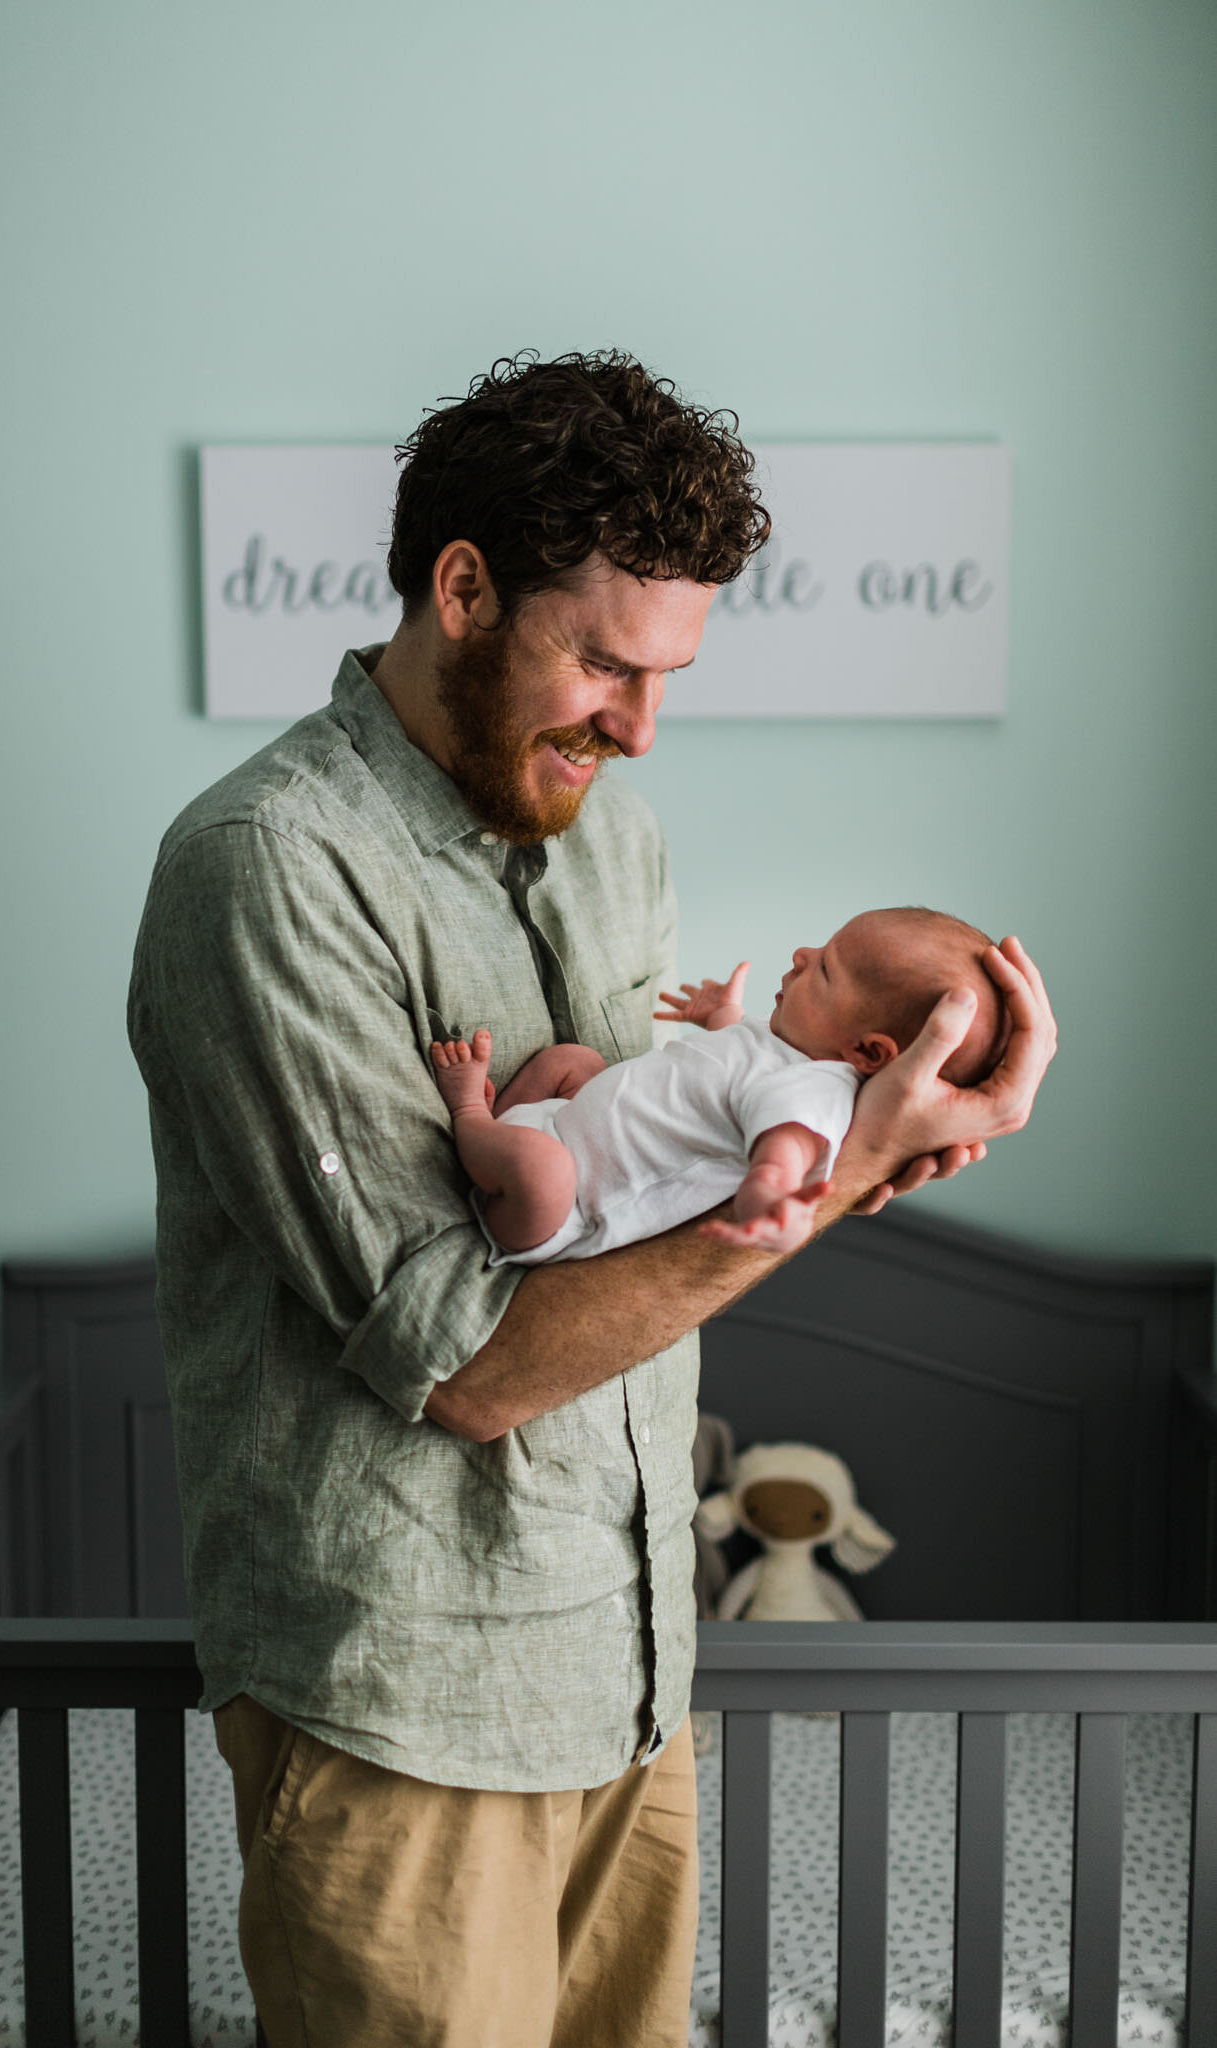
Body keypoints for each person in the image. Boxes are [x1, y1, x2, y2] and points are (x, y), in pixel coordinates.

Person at [127, 349, 1055, 2048]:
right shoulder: (270, 868)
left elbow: (663, 1193)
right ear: (463, 588)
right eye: (605, 662)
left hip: (627, 1672)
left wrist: (863, 1150)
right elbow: (468, 1365)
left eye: (667, 674)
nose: (636, 724)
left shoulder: (613, 841)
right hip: (408, 1699)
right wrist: (829, 1171)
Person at [431, 906, 1010, 1265]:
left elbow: (776, 1162)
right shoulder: (783, 1053)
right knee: (573, 1061)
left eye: (826, 968)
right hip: (559, 1125)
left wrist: (776, 1211)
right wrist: (720, 1015)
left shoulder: (814, 1096)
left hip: (561, 1209)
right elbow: (736, 1070)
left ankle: (470, 1117)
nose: (802, 954)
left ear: (865, 1051)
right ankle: (500, 1134)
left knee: (541, 1169)